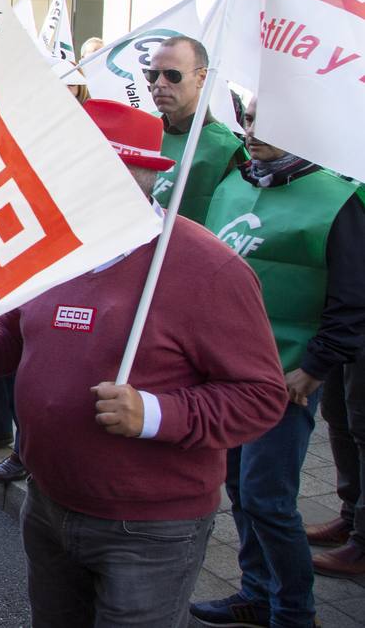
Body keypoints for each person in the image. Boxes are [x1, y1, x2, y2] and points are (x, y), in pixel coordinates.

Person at [0, 99, 288, 628]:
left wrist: (152, 413)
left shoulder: (207, 268)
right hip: (48, 504)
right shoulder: (53, 248)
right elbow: (13, 335)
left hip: (148, 528)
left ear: (145, 176)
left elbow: (261, 398)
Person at [191, 99, 365, 626]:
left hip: (285, 380)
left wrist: (313, 368)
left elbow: (353, 300)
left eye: (268, 121)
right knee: (242, 490)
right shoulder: (235, 183)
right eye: (247, 120)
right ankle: (256, 591)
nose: (250, 130)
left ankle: (293, 612)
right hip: (227, 374)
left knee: (269, 498)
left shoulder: (340, 199)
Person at [147, 36, 244, 224]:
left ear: (201, 78)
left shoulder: (225, 150)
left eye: (172, 75)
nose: (159, 83)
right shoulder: (145, 127)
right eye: (152, 75)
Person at [311, 346, 365, 577]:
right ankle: (352, 516)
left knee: (363, 424)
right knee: (337, 412)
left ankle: (363, 542)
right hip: (347, 322)